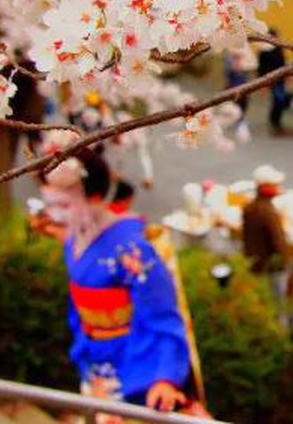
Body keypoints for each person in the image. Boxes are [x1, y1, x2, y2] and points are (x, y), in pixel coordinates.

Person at [38, 152, 191, 412]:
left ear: (95, 198)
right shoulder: (76, 238)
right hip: (93, 356)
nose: (55, 215)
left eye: (64, 206)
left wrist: (164, 377)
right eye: (49, 205)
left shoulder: (132, 250)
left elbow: (163, 315)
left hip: (135, 359)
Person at [242, 165, 289, 301]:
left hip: (255, 264)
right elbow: (279, 242)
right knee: (278, 302)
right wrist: (285, 263)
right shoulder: (268, 213)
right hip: (271, 268)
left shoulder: (249, 208)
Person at [257, 34, 293, 137]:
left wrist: (288, 76)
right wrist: (262, 84)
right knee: (279, 99)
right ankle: (275, 121)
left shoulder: (278, 49)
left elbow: (283, 64)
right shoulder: (263, 52)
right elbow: (261, 68)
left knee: (279, 100)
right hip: (270, 80)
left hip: (280, 79)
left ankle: (275, 120)